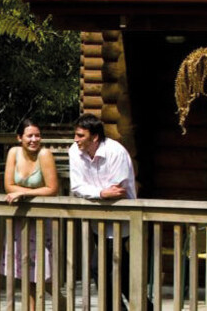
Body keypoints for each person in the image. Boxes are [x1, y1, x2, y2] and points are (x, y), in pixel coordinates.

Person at [68, 113, 137, 310]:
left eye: (81, 135)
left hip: (121, 220)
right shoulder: (75, 151)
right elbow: (77, 187)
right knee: (117, 271)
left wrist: (99, 193)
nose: (76, 139)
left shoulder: (116, 152)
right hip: (98, 220)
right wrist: (100, 192)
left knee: (99, 268)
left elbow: (117, 190)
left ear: (95, 137)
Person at [1, 119, 59, 311]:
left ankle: (61, 302)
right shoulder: (13, 153)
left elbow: (52, 188)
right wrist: (20, 191)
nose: (34, 139)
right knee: (24, 269)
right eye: (29, 136)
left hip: (42, 218)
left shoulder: (45, 154)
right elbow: (8, 185)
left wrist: (24, 192)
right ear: (20, 138)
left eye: (37, 135)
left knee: (42, 271)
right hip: (21, 219)